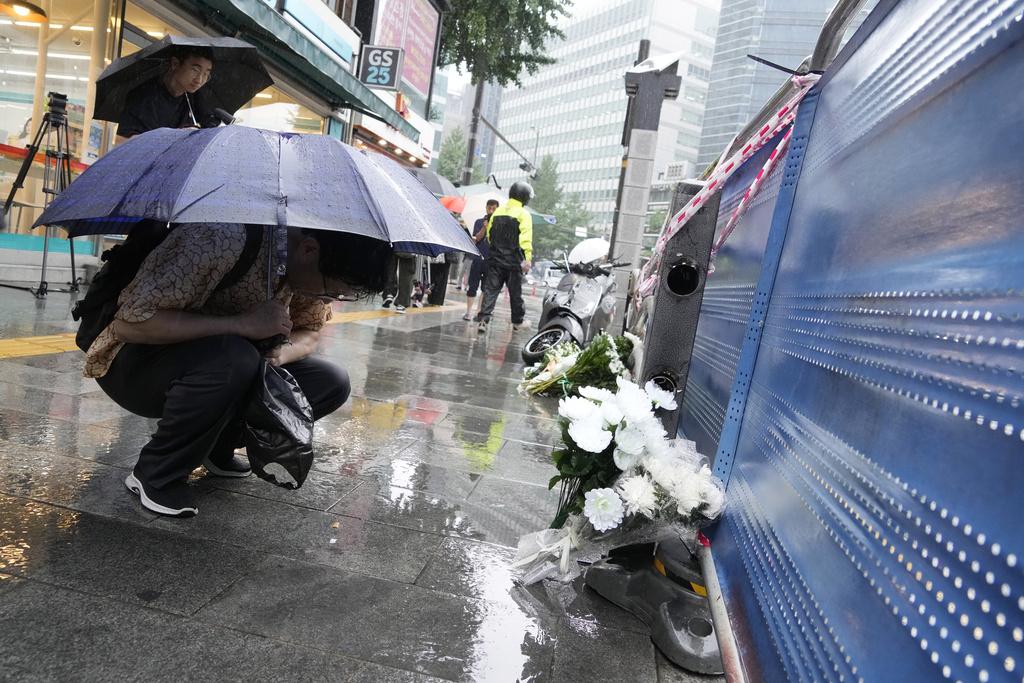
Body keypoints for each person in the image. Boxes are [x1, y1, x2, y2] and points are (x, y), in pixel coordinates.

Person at [85, 222, 391, 517]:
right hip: (135, 366)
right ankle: (156, 472)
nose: (327, 301)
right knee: (237, 356)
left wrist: (279, 355)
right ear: (309, 250)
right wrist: (242, 325)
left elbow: (309, 331)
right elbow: (130, 324)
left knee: (331, 381)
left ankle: (216, 446)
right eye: (331, 292)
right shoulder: (215, 240)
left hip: (222, 366)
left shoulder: (304, 272)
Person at [116, 46, 217, 141]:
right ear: (175, 64)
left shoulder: (194, 97)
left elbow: (208, 125)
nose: (199, 80)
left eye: (206, 74)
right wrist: (174, 136)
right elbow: (131, 139)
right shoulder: (144, 96)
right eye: (195, 70)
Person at [477, 182, 534, 333]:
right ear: (524, 197)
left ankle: (483, 319)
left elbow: (490, 235)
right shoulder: (524, 214)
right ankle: (517, 322)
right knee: (515, 294)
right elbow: (525, 240)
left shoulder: (498, 212)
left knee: (491, 291)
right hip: (514, 263)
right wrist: (527, 258)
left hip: (495, 260)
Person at [464, 199, 498, 321]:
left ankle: (479, 312)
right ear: (486, 208)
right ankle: (468, 312)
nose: (491, 210)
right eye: (489, 208)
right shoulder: (479, 222)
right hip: (478, 259)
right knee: (472, 286)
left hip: (491, 261)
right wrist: (484, 227)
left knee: (485, 288)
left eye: (494, 208)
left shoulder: (499, 225)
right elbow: (477, 238)